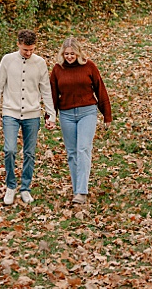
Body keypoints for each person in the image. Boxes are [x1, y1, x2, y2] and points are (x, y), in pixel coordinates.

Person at [0, 29, 56, 205]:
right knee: (10, 149)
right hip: (10, 112)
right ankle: (11, 186)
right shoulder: (8, 60)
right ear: (18, 44)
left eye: (32, 49)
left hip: (32, 114)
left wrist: (51, 114)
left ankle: (25, 188)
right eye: (26, 49)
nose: (29, 53)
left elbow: (46, 90)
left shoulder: (40, 63)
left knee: (29, 152)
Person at [49, 37, 112, 204]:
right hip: (66, 114)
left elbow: (100, 88)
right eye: (67, 53)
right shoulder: (57, 70)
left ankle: (82, 192)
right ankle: (77, 189)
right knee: (72, 153)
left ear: (78, 53)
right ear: (62, 54)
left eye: (73, 53)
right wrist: (51, 115)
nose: (69, 57)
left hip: (87, 112)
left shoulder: (89, 66)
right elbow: (53, 94)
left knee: (83, 148)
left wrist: (107, 115)